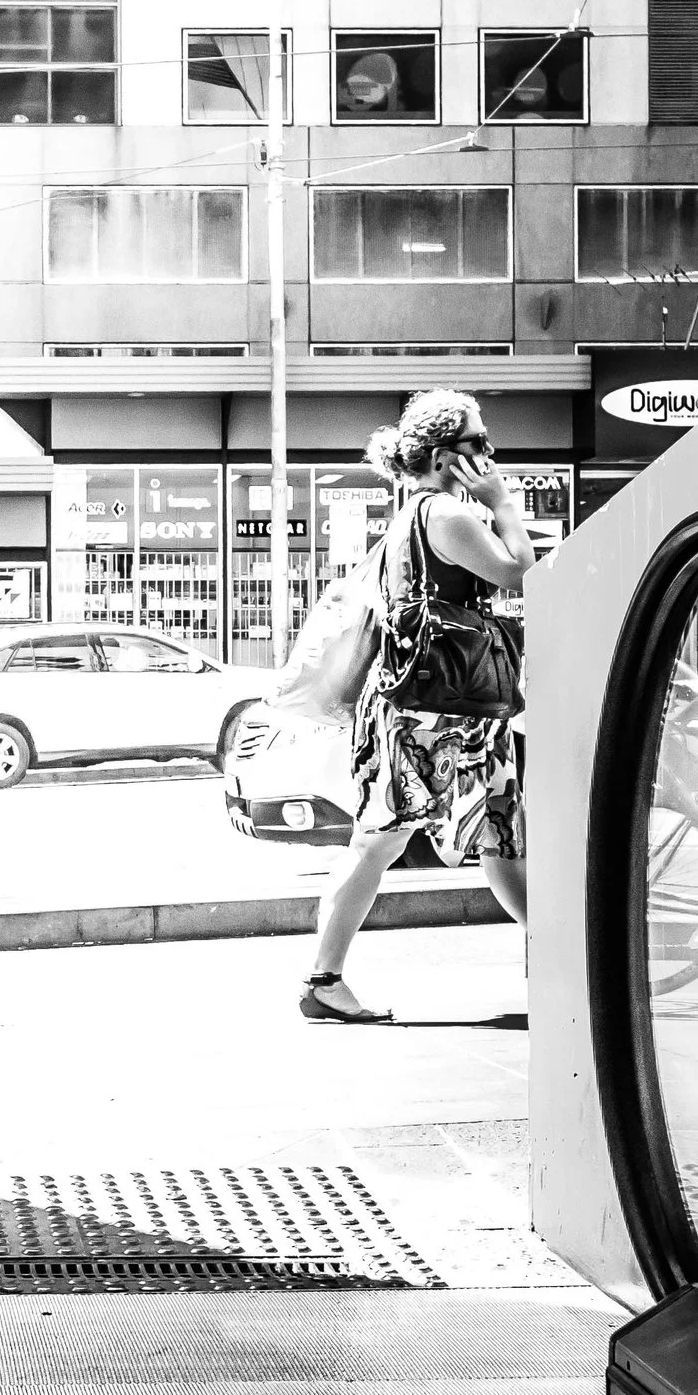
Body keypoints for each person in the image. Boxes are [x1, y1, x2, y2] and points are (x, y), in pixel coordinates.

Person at [305, 390, 534, 1023]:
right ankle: (322, 980)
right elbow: (519, 573)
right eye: (477, 445)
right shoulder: (447, 514)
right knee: (386, 840)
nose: (489, 457)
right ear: (442, 457)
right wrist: (503, 504)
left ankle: (575, 958)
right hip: (437, 709)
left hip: (440, 704)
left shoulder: (409, 516)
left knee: (498, 836)